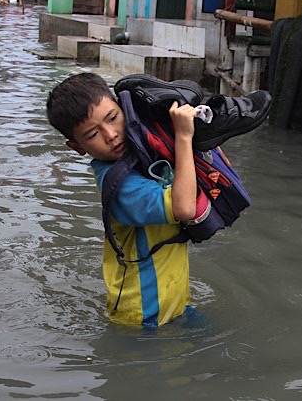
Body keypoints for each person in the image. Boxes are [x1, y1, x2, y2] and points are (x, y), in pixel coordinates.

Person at [46, 73, 199, 327]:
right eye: (93, 134)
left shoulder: (140, 158)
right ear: (77, 147)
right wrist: (184, 138)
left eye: (113, 118)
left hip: (174, 303)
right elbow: (184, 208)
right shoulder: (120, 187)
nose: (111, 135)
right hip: (143, 317)